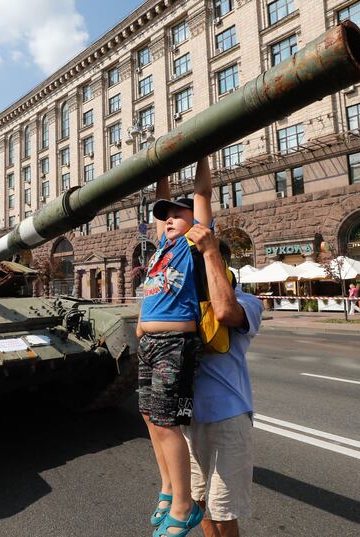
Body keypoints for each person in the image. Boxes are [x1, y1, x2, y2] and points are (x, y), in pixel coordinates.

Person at [138, 156, 212, 536]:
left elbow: (201, 195)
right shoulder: (159, 250)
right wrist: (162, 170)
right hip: (149, 342)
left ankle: (185, 508)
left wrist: (202, 149)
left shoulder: (188, 245)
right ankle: (168, 487)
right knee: (151, 418)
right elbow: (159, 206)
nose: (169, 220)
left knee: (168, 423)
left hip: (174, 344)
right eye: (165, 217)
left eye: (177, 215)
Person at [181, 227, 263, 537]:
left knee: (223, 511)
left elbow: (226, 312)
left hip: (227, 418)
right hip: (189, 417)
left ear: (220, 266)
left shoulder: (248, 302)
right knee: (198, 503)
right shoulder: (189, 304)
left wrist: (209, 251)